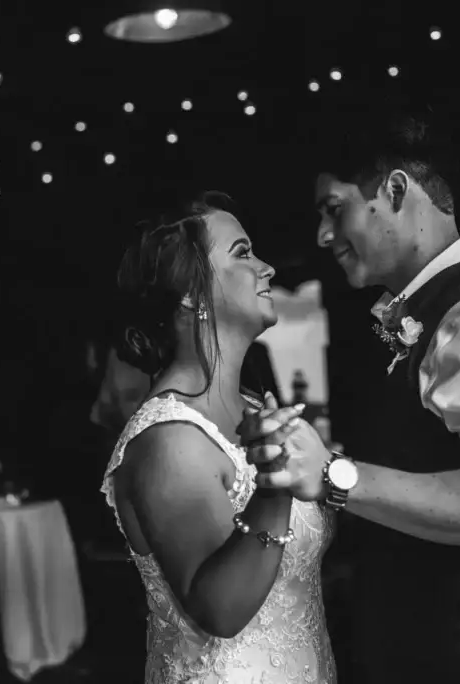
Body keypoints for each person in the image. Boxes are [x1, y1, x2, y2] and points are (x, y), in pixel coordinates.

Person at [241, 111, 460, 683]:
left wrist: (332, 474)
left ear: (396, 190)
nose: (323, 235)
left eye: (334, 209)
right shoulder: (420, 316)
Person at [101, 192, 336, 683]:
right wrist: (273, 487)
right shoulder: (166, 440)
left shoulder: (257, 409)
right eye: (243, 252)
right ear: (189, 291)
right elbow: (221, 610)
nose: (266, 267)